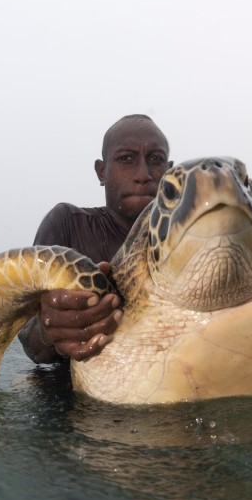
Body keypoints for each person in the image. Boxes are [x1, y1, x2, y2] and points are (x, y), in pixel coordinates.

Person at [18, 114, 172, 364]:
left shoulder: (191, 237)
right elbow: (29, 338)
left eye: (155, 160)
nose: (143, 174)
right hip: (71, 393)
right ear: (102, 172)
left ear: (169, 172)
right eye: (126, 159)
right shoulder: (67, 223)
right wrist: (51, 329)